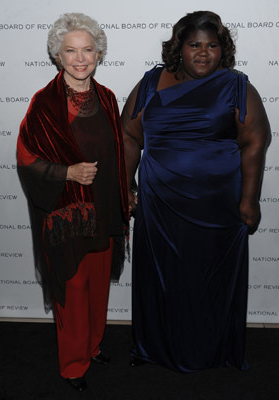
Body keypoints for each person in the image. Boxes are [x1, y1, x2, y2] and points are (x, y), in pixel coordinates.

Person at [122, 10, 270, 372]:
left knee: (210, 278)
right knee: (162, 277)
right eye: (194, 45)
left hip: (217, 206)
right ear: (180, 48)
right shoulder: (150, 84)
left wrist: (249, 199)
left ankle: (213, 351)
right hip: (160, 203)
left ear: (223, 49)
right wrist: (126, 185)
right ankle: (155, 347)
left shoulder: (237, 87)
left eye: (212, 46)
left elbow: (255, 141)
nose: (203, 53)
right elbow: (128, 135)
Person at [17, 13, 128, 391]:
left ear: (98, 54)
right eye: (71, 51)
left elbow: (118, 155)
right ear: (58, 56)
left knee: (98, 287)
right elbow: (27, 158)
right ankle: (73, 364)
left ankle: (93, 346)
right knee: (73, 290)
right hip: (65, 215)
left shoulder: (109, 98)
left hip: (104, 211)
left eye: (88, 51)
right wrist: (67, 174)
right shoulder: (43, 103)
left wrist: (124, 195)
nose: (81, 59)